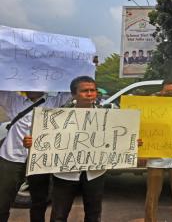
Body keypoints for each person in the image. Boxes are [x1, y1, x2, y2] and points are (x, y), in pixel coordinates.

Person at [24, 76, 106, 222]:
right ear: (74, 94)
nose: (89, 94)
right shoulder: (57, 116)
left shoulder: (109, 115)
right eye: (84, 91)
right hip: (65, 174)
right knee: (59, 215)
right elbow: (44, 139)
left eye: (92, 90)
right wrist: (32, 142)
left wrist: (129, 142)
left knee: (94, 214)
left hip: (95, 172)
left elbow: (116, 139)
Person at [0, 90, 71, 222]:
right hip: (11, 158)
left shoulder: (54, 101)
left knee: (39, 201)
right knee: (2, 199)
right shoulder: (13, 99)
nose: (31, 87)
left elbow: (72, 88)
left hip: (39, 160)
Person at [144, 79, 172, 222]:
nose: (170, 94)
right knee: (152, 195)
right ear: (161, 91)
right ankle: (150, 220)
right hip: (156, 158)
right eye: (167, 91)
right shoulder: (150, 106)